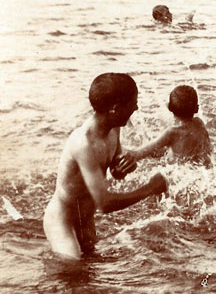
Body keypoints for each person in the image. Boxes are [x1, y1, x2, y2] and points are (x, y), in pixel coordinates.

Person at [43, 73, 168, 259]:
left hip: (87, 219)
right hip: (63, 221)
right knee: (72, 270)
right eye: (133, 102)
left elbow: (116, 171)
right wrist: (150, 188)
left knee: (89, 274)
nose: (136, 106)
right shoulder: (84, 143)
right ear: (115, 109)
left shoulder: (114, 128)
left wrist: (124, 166)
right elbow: (105, 204)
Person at [125, 85, 211, 166]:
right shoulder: (199, 123)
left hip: (178, 169)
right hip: (199, 166)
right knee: (162, 151)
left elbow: (142, 152)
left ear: (169, 107)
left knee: (147, 149)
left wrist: (129, 155)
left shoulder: (172, 132)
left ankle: (126, 120)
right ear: (196, 109)